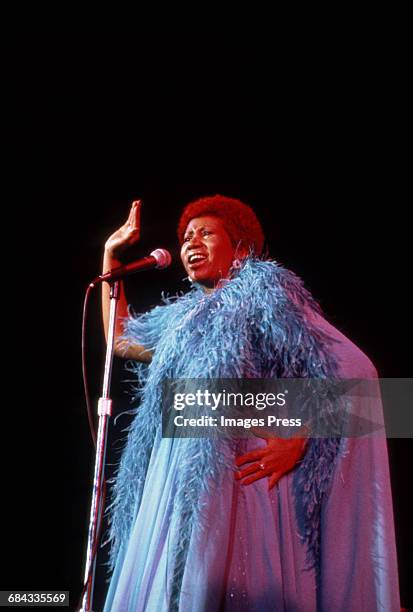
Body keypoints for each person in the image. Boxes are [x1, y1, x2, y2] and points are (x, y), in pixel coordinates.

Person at [100, 195, 400, 611]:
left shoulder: (267, 294)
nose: (191, 243)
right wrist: (110, 255)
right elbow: (121, 341)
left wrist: (297, 438)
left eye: (206, 233)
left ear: (242, 248)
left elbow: (356, 370)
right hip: (178, 473)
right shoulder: (182, 318)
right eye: (187, 236)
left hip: (239, 476)